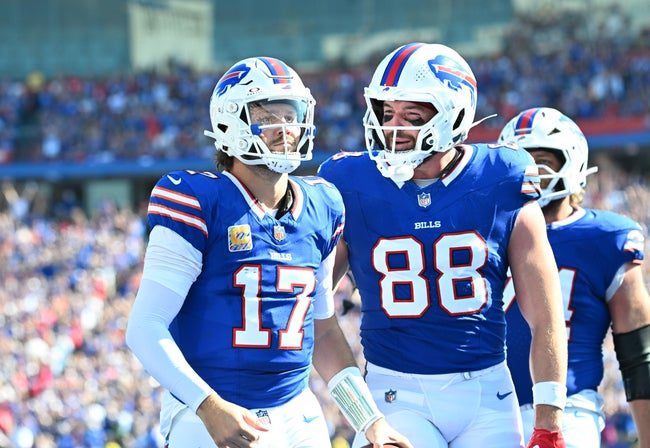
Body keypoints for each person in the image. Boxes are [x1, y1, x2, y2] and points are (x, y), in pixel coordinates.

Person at [126, 57, 413, 448]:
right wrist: (208, 406)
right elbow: (145, 326)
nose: (286, 129)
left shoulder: (322, 204)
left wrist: (369, 421)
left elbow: (323, 329)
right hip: (212, 410)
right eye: (268, 116)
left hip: (297, 413)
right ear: (231, 122)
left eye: (291, 115)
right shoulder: (196, 199)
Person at [318, 43, 568, 448]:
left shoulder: (501, 177)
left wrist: (549, 419)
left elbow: (546, 314)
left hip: (487, 395)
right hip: (393, 394)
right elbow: (314, 309)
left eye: (411, 116)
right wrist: (363, 415)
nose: (392, 127)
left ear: (453, 116)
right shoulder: (349, 182)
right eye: (387, 113)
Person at [499, 107, 650, 448]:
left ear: (573, 163)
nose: (532, 172)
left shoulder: (605, 237)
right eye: (521, 161)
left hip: (570, 409)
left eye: (542, 160)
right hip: (487, 409)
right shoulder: (487, 233)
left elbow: (639, 353)